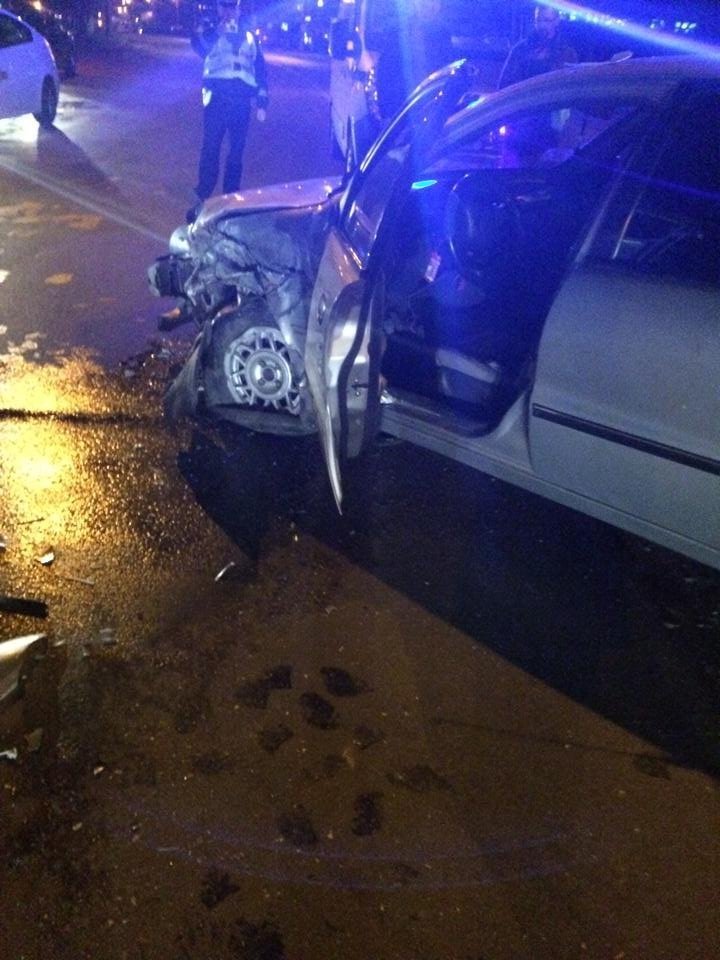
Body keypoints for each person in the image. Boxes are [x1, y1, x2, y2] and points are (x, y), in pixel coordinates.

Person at [187, 0, 268, 222]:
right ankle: (203, 193)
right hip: (217, 100)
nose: (228, 11)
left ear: (239, 9)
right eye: (224, 6)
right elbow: (199, 48)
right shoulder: (209, 28)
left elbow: (260, 68)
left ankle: (230, 197)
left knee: (236, 152)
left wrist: (262, 100)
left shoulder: (250, 35)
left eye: (232, 6)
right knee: (211, 147)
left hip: (241, 102)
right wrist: (216, 33)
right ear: (218, 8)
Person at [373, 0, 456, 122]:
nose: (429, 5)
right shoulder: (398, 35)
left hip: (435, 113)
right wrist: (390, 117)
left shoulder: (442, 35)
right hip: (403, 114)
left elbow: (448, 74)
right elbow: (386, 75)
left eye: (434, 1)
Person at [498, 5, 577, 89]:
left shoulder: (567, 53)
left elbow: (571, 87)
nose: (542, 25)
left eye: (547, 20)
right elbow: (504, 85)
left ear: (557, 21)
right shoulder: (520, 49)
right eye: (538, 21)